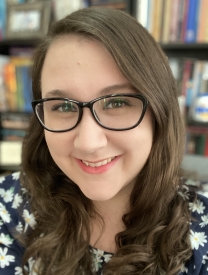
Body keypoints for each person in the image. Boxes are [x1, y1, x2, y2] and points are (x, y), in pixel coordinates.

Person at [0, 7, 208, 275]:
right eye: (62, 106)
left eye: (117, 102)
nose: (88, 143)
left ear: (160, 111)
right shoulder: (7, 211)